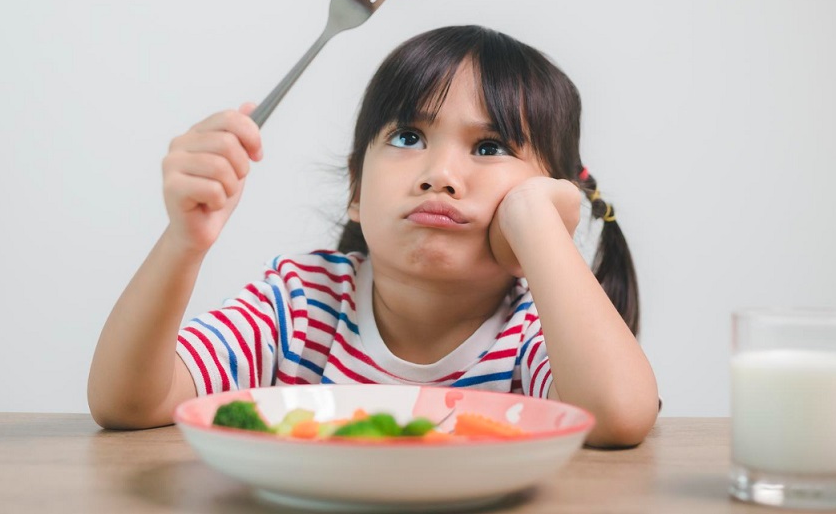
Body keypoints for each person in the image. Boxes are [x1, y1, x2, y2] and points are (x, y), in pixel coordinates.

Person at [88, 25, 659, 447]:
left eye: (490, 148)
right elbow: (129, 403)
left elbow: (617, 417)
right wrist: (183, 242)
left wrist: (539, 226)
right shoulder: (300, 303)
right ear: (356, 189)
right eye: (409, 137)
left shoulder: (536, 332)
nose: (440, 174)